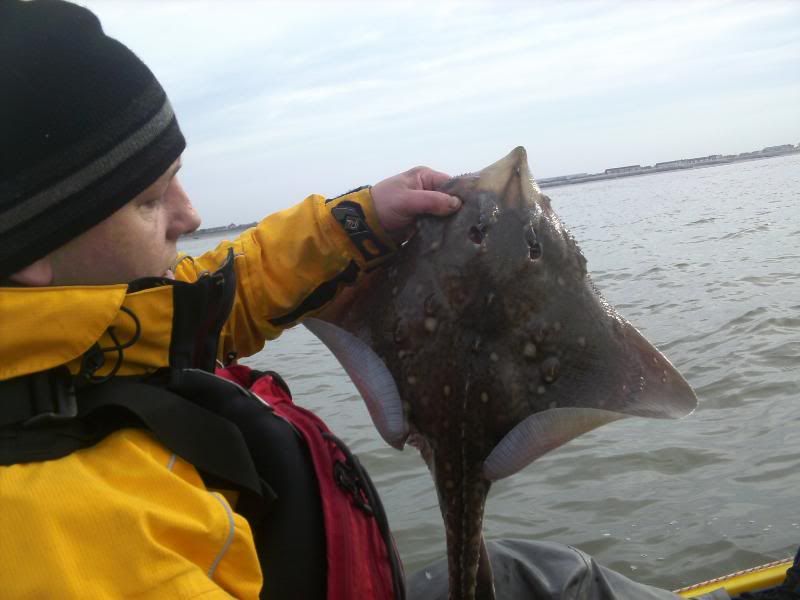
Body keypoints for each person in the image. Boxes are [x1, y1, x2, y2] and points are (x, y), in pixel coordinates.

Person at [0, 2, 795, 599]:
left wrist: (353, 224)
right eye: (148, 200)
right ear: (34, 252)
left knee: (530, 571)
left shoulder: (93, 327)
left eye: (178, 177)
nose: (192, 216)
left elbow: (212, 299)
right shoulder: (83, 542)